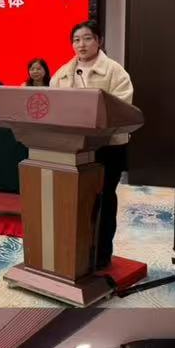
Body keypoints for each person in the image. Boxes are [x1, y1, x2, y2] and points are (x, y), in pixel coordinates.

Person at [51, 20, 135, 269]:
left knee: (103, 199)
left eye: (87, 38)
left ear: (99, 41)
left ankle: (101, 254)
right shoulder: (63, 73)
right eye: (76, 40)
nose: (81, 44)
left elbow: (122, 109)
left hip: (108, 147)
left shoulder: (115, 72)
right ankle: (75, 252)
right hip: (74, 148)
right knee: (76, 200)